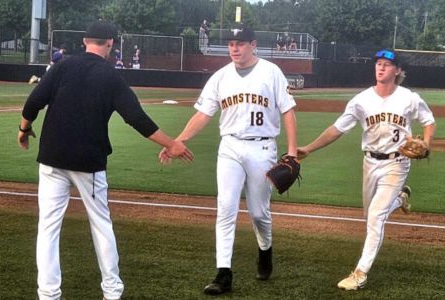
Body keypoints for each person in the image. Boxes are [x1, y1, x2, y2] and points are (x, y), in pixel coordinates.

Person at [18, 20, 193, 300]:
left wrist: (24, 130)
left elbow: (32, 104)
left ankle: (48, 295)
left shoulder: (61, 66)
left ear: (85, 40)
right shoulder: (111, 77)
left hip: (52, 158)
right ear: (111, 43)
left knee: (48, 228)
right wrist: (173, 144)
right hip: (89, 162)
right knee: (101, 225)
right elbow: (137, 119)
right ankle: (111, 292)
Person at [159, 24, 298, 296]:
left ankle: (265, 250)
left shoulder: (271, 72)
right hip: (230, 147)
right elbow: (203, 114)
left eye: (240, 43)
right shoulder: (221, 77)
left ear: (253, 44)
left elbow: (289, 111)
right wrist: (180, 140)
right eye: (231, 44)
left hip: (262, 148)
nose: (234, 48)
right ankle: (223, 273)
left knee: (259, 213)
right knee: (226, 208)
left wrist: (291, 151)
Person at [297, 49, 436, 291]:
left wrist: (426, 143)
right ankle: (401, 198)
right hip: (370, 163)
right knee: (370, 216)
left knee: (375, 217)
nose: (380, 68)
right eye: (378, 64)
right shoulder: (361, 100)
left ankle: (360, 273)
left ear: (398, 71)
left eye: (387, 65)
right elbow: (337, 128)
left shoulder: (409, 98)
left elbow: (428, 120)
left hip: (397, 163)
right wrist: (309, 148)